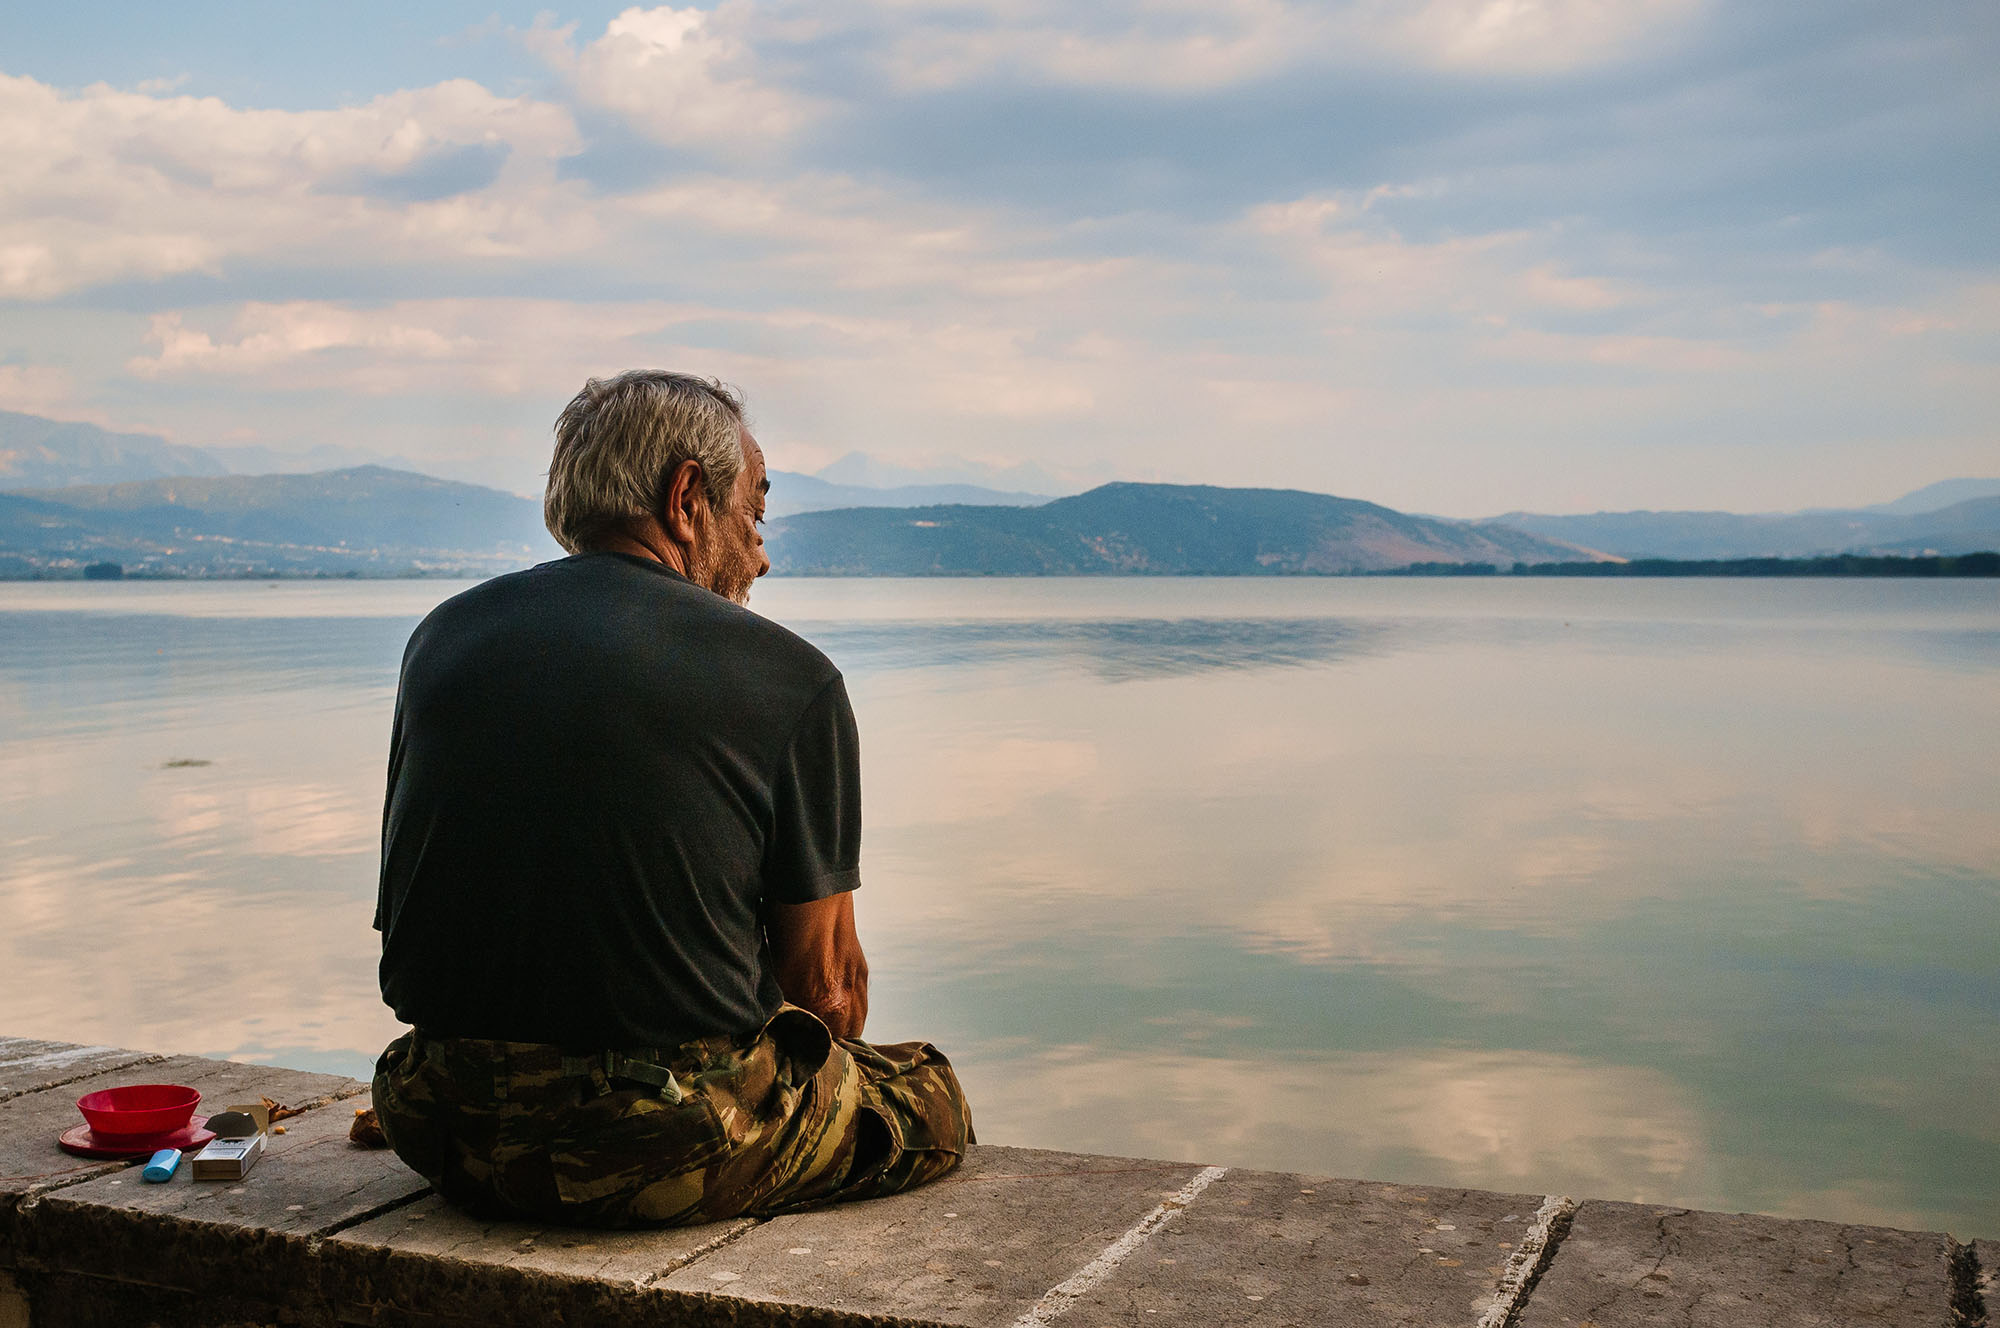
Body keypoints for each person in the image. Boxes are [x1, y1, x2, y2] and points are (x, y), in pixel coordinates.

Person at [370, 370, 972, 1227]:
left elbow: (413, 921)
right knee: (926, 1094)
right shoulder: (788, 676)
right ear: (686, 496)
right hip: (658, 1149)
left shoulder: (438, 642)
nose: (761, 556)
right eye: (755, 517)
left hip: (441, 1121)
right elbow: (827, 994)